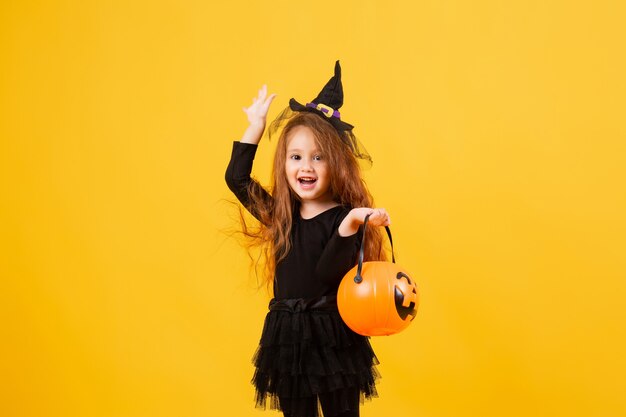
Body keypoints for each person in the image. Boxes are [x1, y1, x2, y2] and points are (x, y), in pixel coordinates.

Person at [225, 61, 391, 417]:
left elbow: (329, 271)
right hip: (288, 335)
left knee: (340, 412)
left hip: (333, 333)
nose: (306, 167)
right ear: (284, 163)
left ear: (337, 164)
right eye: (296, 157)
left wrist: (350, 225)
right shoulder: (279, 215)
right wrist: (255, 127)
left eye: (319, 158)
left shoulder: (342, 217)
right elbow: (237, 178)